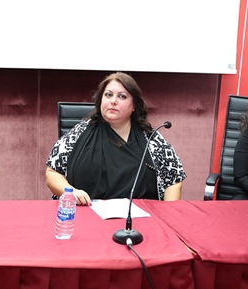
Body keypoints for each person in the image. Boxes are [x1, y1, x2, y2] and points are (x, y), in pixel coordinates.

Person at [45, 72, 186, 206]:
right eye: (108, 95)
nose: (113, 101)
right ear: (101, 100)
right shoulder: (79, 132)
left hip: (138, 219)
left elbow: (174, 179)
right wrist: (72, 193)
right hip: (86, 213)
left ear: (134, 105)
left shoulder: (151, 139)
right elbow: (52, 173)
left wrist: (167, 214)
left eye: (122, 96)